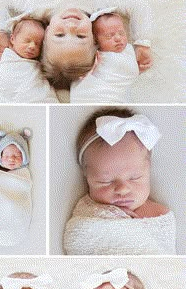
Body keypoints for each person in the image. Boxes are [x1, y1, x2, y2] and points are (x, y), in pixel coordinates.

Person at [0, 0, 153, 91]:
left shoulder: (35, 7)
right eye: (81, 36)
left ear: (45, 34)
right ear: (95, 39)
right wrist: (142, 43)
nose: (71, 26)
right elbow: (137, 3)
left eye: (60, 35)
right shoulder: (101, 4)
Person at [64, 108, 176, 255]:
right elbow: (77, 238)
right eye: (106, 181)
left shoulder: (158, 215)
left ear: (148, 170)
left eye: (135, 178)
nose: (122, 189)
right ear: (87, 176)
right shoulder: (87, 213)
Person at [70, 12, 140, 102]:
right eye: (109, 36)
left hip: (120, 94)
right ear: (96, 40)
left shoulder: (129, 50)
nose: (118, 38)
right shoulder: (96, 55)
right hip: (98, 94)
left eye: (121, 33)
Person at [0, 16, 59, 102]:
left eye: (38, 44)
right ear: (12, 39)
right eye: (27, 41)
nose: (32, 46)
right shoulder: (9, 60)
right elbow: (7, 83)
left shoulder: (38, 62)